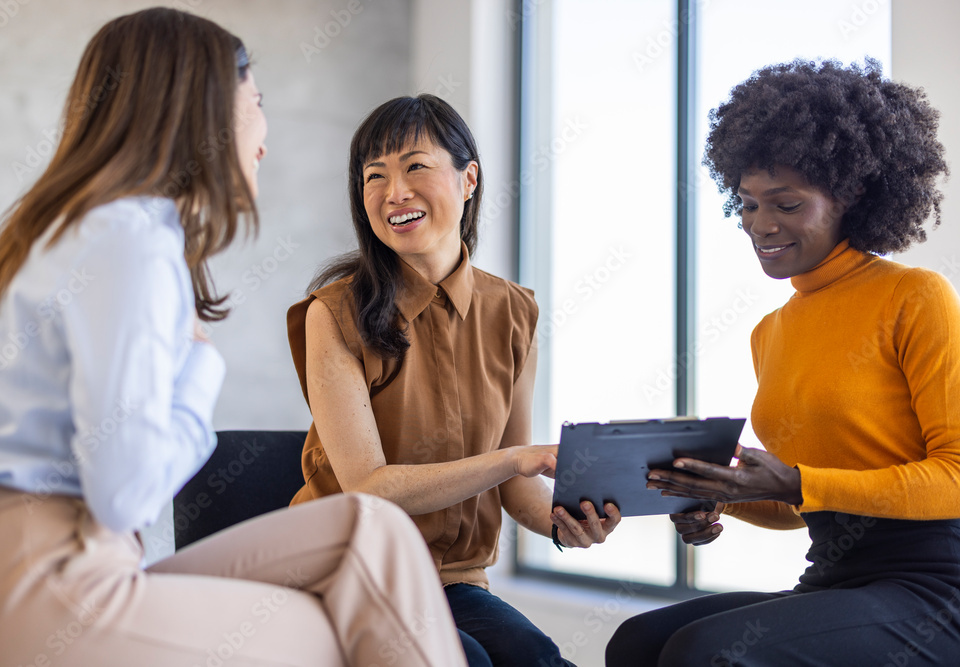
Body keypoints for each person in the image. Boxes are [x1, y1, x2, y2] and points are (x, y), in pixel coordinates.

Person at [0, 9, 466, 666]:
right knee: (327, 627)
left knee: (369, 532)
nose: (263, 132)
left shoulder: (61, 234)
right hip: (48, 585)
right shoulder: (130, 237)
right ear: (203, 108)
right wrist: (201, 370)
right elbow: (125, 492)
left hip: (2, 579)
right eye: (256, 100)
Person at [605, 59, 959, 666]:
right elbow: (802, 507)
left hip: (934, 591)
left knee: (702, 653)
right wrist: (720, 494)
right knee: (638, 643)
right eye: (746, 205)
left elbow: (955, 478)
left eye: (786, 204)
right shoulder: (770, 332)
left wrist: (795, 482)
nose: (760, 226)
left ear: (848, 196)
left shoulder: (915, 297)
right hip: (836, 578)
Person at [286, 93, 622, 666]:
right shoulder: (333, 312)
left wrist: (568, 523)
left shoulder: (513, 311)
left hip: (453, 580)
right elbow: (370, 487)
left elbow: (518, 488)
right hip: (347, 570)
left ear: (469, 180)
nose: (395, 193)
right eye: (375, 175)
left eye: (415, 166)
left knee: (537, 659)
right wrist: (516, 459)